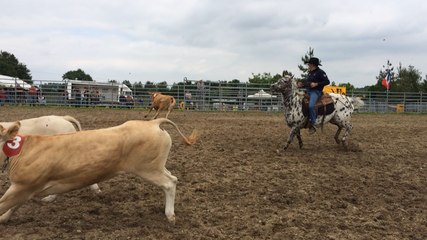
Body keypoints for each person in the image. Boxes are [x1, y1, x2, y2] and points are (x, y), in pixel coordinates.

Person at [298, 57, 330, 134]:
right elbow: (308, 83)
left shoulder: (320, 72)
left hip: (316, 92)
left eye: (309, 64)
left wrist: (317, 84)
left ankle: (313, 124)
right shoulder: (310, 72)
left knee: (311, 106)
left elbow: (327, 81)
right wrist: (301, 85)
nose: (308, 65)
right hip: (308, 91)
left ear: (312, 65)